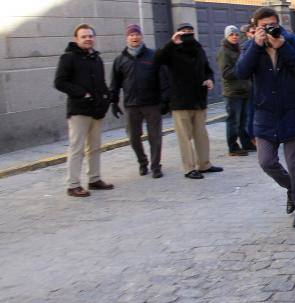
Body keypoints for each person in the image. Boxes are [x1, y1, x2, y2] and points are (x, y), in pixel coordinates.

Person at [236, 7, 295, 227]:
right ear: (255, 27)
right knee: (266, 161)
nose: (268, 29)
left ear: (278, 24)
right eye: (263, 26)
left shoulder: (292, 41)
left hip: (292, 113)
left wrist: (284, 47)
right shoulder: (251, 46)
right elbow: (241, 72)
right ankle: (292, 188)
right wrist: (256, 46)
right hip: (265, 114)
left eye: (272, 25)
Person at [155, 23, 223, 179]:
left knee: (201, 134)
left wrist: (209, 79)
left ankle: (204, 164)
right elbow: (158, 59)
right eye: (183, 32)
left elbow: (207, 69)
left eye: (190, 32)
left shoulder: (198, 49)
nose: (187, 35)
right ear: (177, 33)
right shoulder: (171, 50)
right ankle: (189, 168)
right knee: (184, 137)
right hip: (180, 101)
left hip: (199, 99)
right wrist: (172, 43)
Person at [54, 24, 114, 197]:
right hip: (79, 110)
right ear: (76, 39)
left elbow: (101, 82)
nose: (88, 39)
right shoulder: (68, 58)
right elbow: (60, 82)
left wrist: (107, 98)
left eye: (90, 36)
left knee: (95, 147)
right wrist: (82, 93)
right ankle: (73, 185)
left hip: (96, 110)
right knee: (77, 148)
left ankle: (94, 179)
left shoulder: (96, 58)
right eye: (84, 36)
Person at [110, 23, 170, 178]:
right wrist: (113, 101)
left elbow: (163, 79)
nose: (134, 37)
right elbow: (115, 83)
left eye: (137, 34)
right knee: (133, 137)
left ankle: (156, 166)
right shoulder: (120, 60)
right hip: (132, 105)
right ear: (127, 38)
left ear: (142, 36)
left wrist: (165, 100)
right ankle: (142, 162)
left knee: (155, 137)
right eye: (131, 35)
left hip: (152, 104)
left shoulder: (153, 55)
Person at [216, 25, 251, 156]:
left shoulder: (239, 49)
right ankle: (233, 147)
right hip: (232, 92)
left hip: (244, 89)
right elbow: (226, 73)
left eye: (236, 34)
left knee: (243, 120)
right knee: (233, 121)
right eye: (231, 35)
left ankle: (246, 143)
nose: (235, 37)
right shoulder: (224, 51)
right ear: (227, 36)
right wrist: (241, 69)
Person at [240, 24, 258, 151]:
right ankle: (251, 138)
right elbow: (240, 70)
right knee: (250, 114)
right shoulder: (247, 46)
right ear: (247, 34)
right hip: (250, 87)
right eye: (252, 32)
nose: (254, 35)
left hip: (259, 87)